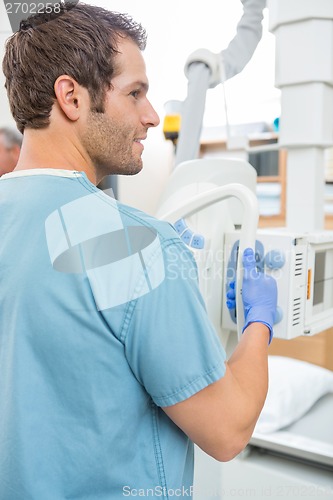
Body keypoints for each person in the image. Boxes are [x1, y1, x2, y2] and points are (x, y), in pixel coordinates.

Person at [0, 3, 277, 499]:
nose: (151, 117)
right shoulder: (137, 245)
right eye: (135, 93)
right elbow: (228, 429)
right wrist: (260, 322)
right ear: (71, 97)